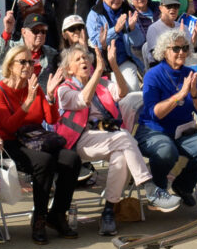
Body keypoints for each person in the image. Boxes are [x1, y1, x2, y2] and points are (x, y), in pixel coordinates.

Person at [47, 30, 160, 231]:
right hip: (78, 142)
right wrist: (98, 71)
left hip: (108, 137)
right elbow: (83, 100)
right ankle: (149, 187)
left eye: (86, 58)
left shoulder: (103, 84)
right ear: (69, 69)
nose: (84, 61)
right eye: (78, 59)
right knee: (124, 138)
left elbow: (123, 92)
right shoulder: (64, 89)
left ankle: (108, 211)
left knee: (122, 156)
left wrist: (113, 65)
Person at [0, 45, 80, 242]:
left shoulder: (34, 87)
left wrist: (49, 96)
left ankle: (57, 214)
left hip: (37, 139)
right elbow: (8, 127)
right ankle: (39, 218)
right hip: (12, 143)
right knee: (44, 162)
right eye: (23, 62)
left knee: (72, 158)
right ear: (10, 65)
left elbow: (52, 119)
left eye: (30, 61)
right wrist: (27, 102)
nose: (28, 65)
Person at [135, 29, 197, 207]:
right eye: (176, 49)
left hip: (182, 133)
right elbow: (154, 114)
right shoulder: (153, 75)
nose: (181, 52)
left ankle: (183, 186)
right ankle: (159, 189)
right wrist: (180, 95)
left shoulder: (190, 73)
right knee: (166, 151)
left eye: (185, 48)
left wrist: (195, 94)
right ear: (165, 51)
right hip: (153, 131)